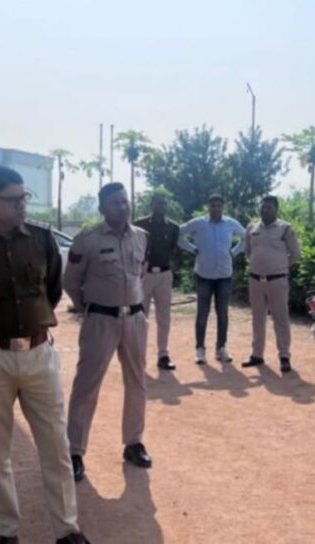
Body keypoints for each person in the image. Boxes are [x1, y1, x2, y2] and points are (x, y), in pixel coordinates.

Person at [0, 167, 88, 544]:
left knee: (56, 445)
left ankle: (67, 528)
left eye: (24, 198)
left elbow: (52, 291)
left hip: (38, 353)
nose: (22, 206)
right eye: (12, 200)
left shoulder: (42, 239)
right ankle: (6, 531)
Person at [65, 183, 152, 482]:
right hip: (100, 319)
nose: (123, 207)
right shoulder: (87, 240)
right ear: (102, 208)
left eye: (125, 201)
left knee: (137, 382)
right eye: (115, 202)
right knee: (86, 385)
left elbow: (141, 274)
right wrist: (84, 307)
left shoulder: (141, 237)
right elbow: (71, 280)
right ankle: (75, 451)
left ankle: (133, 443)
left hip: (135, 319)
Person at [178, 194, 246, 364]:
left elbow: (246, 237)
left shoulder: (231, 223)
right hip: (204, 275)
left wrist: (234, 252)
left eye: (218, 206)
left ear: (223, 207)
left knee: (222, 314)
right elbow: (179, 234)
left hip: (224, 275)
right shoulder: (198, 223)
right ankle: (200, 349)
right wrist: (192, 249)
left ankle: (221, 348)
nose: (215, 208)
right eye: (212, 205)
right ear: (208, 207)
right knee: (202, 314)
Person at [242, 195, 302, 373]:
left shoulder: (285, 228)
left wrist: (281, 266)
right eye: (263, 207)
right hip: (255, 280)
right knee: (257, 319)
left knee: (280, 319)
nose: (265, 210)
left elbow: (296, 254)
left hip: (277, 281)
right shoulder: (251, 228)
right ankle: (257, 355)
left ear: (276, 209)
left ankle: (284, 356)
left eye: (269, 207)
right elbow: (248, 252)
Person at [134, 193, 180, 371]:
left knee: (164, 317)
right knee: (141, 317)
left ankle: (163, 355)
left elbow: (172, 249)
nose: (161, 206)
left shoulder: (173, 227)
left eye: (164, 203)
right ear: (152, 204)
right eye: (158, 203)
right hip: (144, 275)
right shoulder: (139, 225)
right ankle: (139, 355)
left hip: (164, 274)